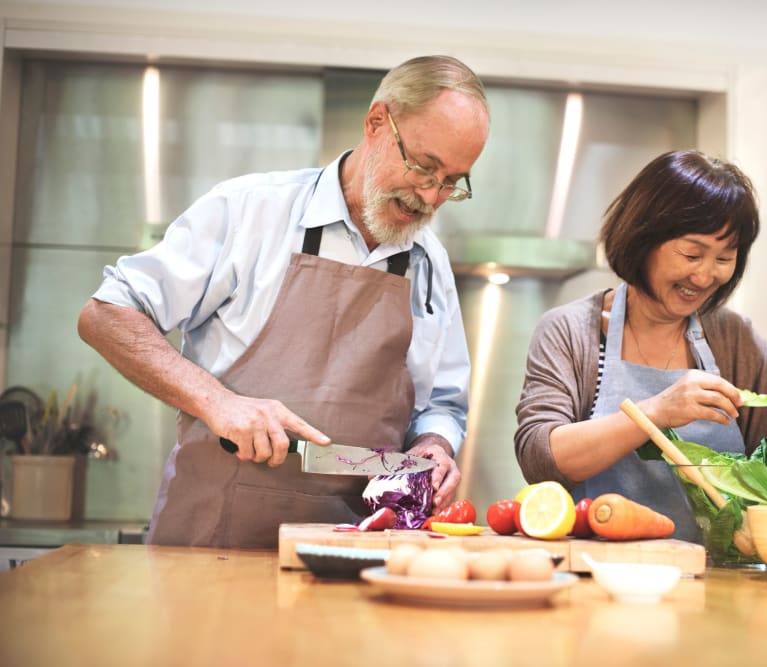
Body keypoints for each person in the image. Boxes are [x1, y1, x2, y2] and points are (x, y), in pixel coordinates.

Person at [78, 55, 491, 548]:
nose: (432, 195)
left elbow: (442, 402)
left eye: (452, 181)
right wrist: (218, 403)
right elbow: (106, 313)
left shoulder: (429, 263)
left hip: (353, 551)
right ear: (378, 123)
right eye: (424, 167)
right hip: (212, 545)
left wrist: (434, 444)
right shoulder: (249, 210)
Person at [513, 149, 767, 543]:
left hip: (720, 577)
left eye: (725, 257)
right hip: (601, 572)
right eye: (692, 254)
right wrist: (656, 412)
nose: (707, 275)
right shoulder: (571, 331)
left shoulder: (732, 337)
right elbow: (542, 457)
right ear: (643, 239)